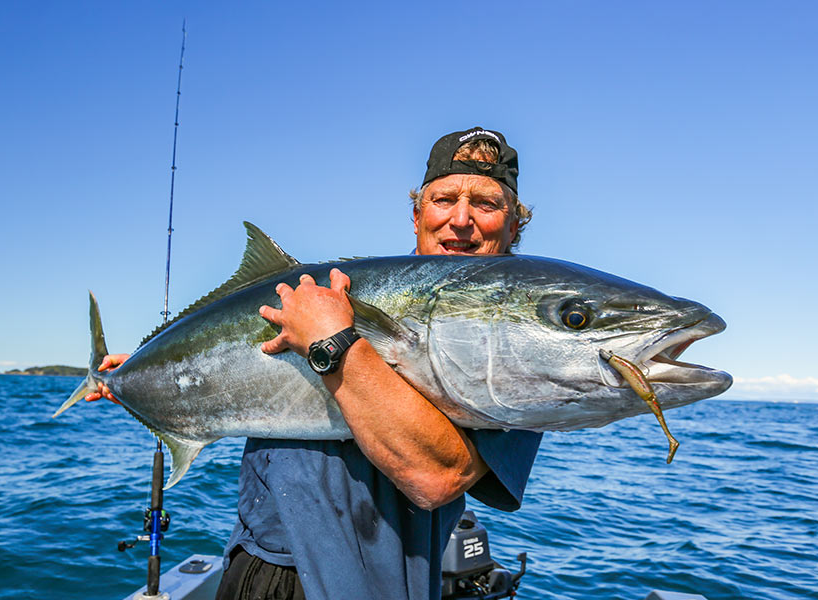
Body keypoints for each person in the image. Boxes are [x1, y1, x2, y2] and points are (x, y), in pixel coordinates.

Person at [89, 127, 542, 600]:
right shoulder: (331, 292)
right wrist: (144, 377)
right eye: (444, 198)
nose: (461, 219)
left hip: (381, 582)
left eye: (487, 204)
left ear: (513, 226)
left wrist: (331, 341)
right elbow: (230, 366)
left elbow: (438, 476)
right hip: (258, 568)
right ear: (416, 215)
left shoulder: (522, 351)